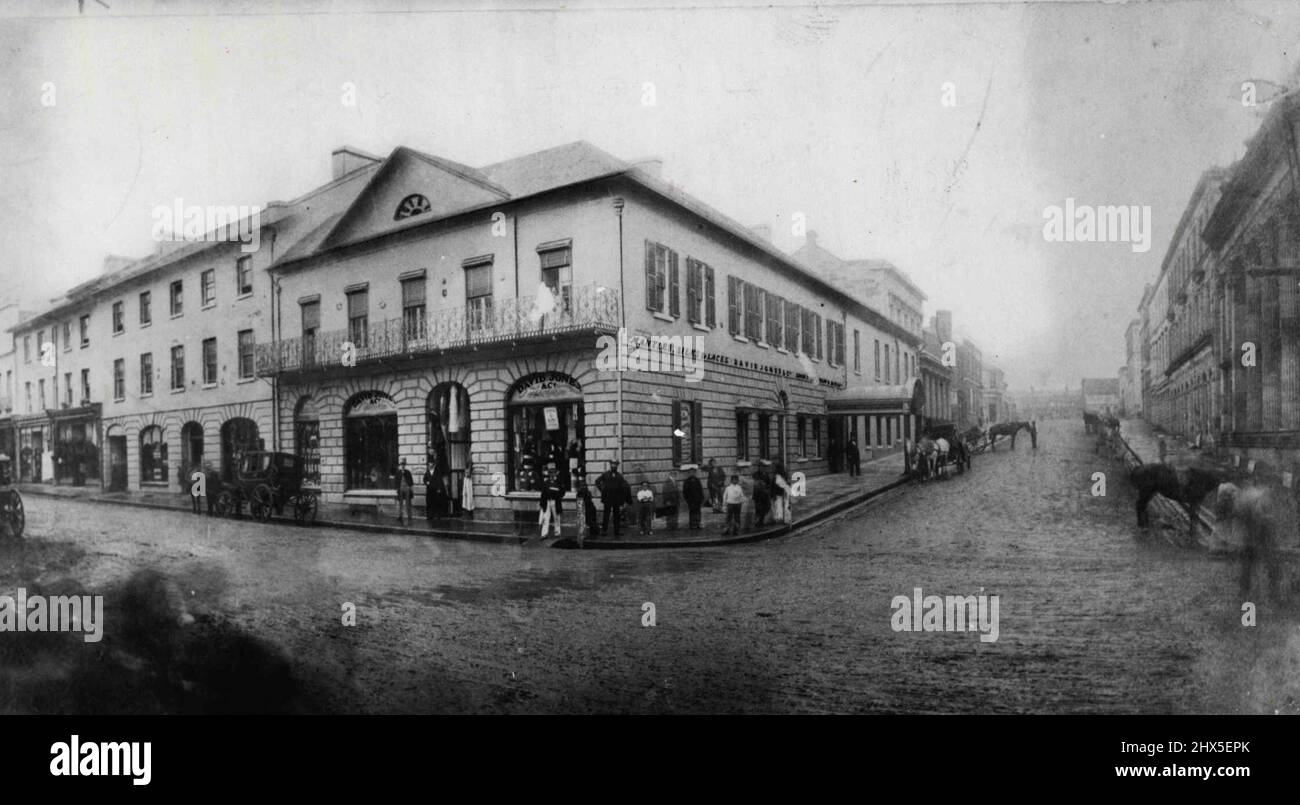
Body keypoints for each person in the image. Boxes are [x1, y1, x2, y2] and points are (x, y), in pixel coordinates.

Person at [596, 460, 629, 538]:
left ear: (617, 466)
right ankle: (604, 530)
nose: (614, 466)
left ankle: (616, 531)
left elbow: (623, 485)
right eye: (613, 464)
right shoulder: (605, 474)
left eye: (615, 465)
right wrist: (602, 489)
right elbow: (597, 481)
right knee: (606, 515)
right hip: (607, 497)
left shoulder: (619, 476)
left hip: (616, 498)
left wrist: (623, 496)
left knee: (616, 515)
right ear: (610, 465)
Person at [538, 463, 564, 538]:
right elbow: (543, 493)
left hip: (556, 501)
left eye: (553, 472)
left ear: (555, 473)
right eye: (550, 472)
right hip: (547, 502)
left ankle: (557, 532)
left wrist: (558, 496)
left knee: (556, 518)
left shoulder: (559, 482)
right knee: (546, 518)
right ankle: (544, 533)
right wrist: (542, 504)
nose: (552, 474)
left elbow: (563, 491)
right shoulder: (546, 482)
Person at [396, 458, 415, 524]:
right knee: (400, 504)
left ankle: (409, 516)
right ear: (400, 465)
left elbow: (411, 482)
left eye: (403, 464)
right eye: (401, 464)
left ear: (405, 465)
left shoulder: (408, 472)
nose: (402, 466)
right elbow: (396, 482)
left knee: (408, 504)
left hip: (407, 489)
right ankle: (400, 516)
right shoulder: (398, 473)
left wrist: (411, 490)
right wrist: (397, 489)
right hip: (400, 489)